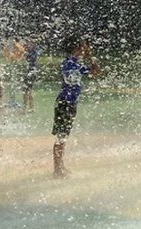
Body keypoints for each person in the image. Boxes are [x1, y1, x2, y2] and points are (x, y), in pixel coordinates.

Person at [52, 34, 101, 178]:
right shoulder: (68, 63)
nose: (83, 49)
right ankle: (57, 169)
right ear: (76, 48)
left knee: (64, 136)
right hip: (64, 103)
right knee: (61, 136)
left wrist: (90, 56)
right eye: (82, 47)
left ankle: (60, 166)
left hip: (71, 103)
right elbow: (70, 79)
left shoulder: (77, 63)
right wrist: (83, 64)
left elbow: (96, 72)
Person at [21, 38, 41, 113]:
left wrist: (25, 54)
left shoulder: (34, 52)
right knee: (28, 90)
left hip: (31, 72)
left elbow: (29, 59)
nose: (27, 44)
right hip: (31, 72)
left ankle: (25, 108)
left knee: (26, 90)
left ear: (33, 44)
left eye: (29, 43)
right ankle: (31, 108)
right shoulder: (34, 51)